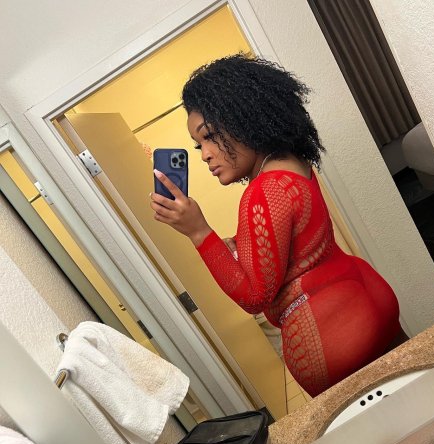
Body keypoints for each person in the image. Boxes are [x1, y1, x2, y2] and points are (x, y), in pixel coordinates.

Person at [150, 54, 405, 397]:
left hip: (333, 332)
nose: (205, 154)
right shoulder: (290, 163)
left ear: (245, 118)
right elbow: (295, 241)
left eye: (210, 136)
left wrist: (198, 232)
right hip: (365, 295)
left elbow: (254, 298)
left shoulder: (263, 192)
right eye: (200, 145)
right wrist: (236, 246)